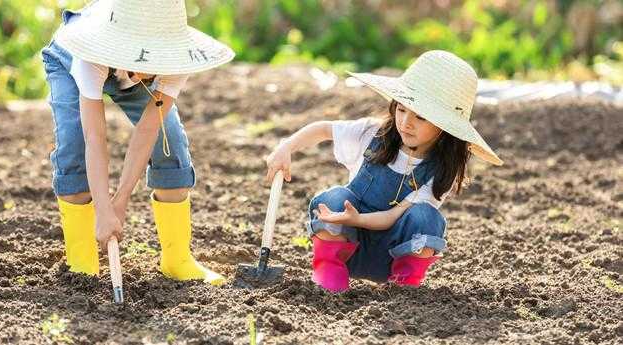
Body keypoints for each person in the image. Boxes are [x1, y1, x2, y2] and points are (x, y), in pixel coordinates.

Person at [265, 50, 503, 292]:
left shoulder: (440, 171)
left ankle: (404, 288)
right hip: (350, 242)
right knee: (334, 198)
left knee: (426, 217)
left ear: (444, 127)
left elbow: (393, 217)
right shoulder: (371, 134)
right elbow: (324, 129)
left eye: (420, 117)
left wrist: (358, 218)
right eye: (401, 109)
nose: (406, 123)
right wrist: (286, 147)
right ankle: (329, 279)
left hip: (392, 253)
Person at [41, 0, 234, 286]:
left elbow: (148, 130)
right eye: (142, 60)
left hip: (121, 70)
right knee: (74, 142)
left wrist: (120, 200)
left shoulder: (175, 60)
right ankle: (82, 260)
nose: (147, 71)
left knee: (171, 141)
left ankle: (177, 258)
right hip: (70, 60)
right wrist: (103, 211)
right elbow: (95, 139)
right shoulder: (90, 52)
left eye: (155, 63)